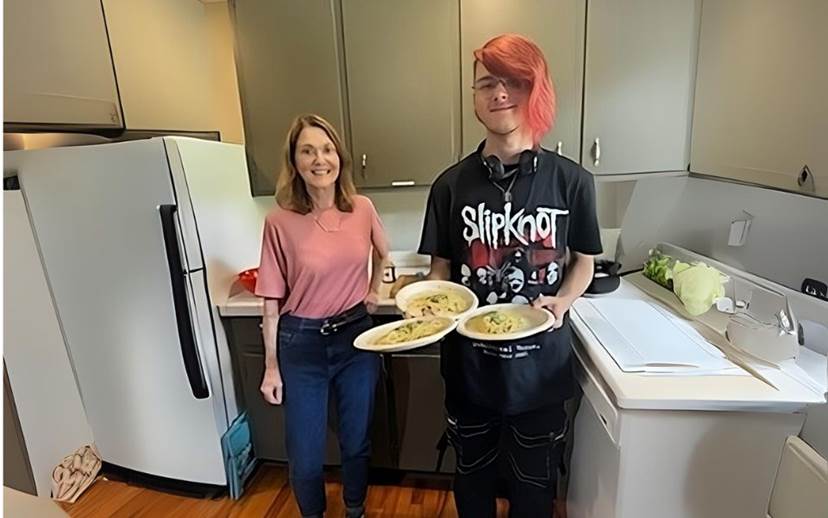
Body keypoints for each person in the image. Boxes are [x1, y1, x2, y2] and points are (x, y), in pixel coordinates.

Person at [417, 34, 602, 518]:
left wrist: (561, 301)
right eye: (485, 84)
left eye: (512, 81)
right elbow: (439, 273)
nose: (498, 93)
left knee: (534, 489)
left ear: (535, 88)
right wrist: (426, 305)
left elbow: (584, 260)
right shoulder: (449, 185)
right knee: (472, 482)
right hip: (469, 372)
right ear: (475, 99)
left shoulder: (572, 181)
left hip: (539, 373)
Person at [255, 114, 390, 518]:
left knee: (356, 440)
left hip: (356, 339)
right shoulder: (279, 221)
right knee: (306, 454)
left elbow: (383, 252)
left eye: (327, 149)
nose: (319, 159)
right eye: (307, 151)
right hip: (302, 343)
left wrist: (374, 290)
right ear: (294, 162)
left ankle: (354, 510)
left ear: (340, 158)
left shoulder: (362, 208)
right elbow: (270, 301)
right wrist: (271, 367)